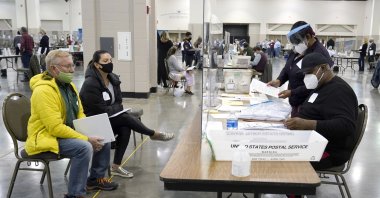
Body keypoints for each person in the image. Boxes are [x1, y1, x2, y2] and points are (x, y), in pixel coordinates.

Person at [25, 50, 118, 198]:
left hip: (65, 131)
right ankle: (75, 194)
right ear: (54, 68)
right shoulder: (43, 91)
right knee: (84, 147)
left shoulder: (69, 86)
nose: (73, 70)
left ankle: (94, 179)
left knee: (103, 136)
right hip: (47, 137)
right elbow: (55, 128)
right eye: (68, 66)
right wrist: (86, 138)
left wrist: (88, 130)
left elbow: (79, 112)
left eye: (72, 65)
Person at [80, 50, 175, 178]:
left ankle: (115, 167)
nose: (109, 63)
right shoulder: (90, 83)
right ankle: (152, 134)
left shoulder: (113, 78)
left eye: (110, 60)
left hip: (109, 118)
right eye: (105, 61)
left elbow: (119, 102)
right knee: (125, 118)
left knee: (125, 127)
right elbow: (100, 110)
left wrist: (114, 109)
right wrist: (115, 109)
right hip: (95, 121)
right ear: (97, 65)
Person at [284, 52, 358, 198]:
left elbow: (346, 126)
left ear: (323, 68)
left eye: (309, 73)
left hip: (329, 150)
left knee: (288, 162)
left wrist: (309, 124)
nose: (306, 77)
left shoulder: (339, 91)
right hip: (312, 142)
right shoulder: (321, 85)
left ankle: (294, 194)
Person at [267, 21, 333, 117]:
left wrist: (292, 92)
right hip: (295, 102)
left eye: (298, 42)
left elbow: (315, 84)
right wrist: (279, 80)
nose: (296, 45)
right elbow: (288, 67)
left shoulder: (319, 54)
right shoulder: (298, 49)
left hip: (308, 105)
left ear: (308, 36)